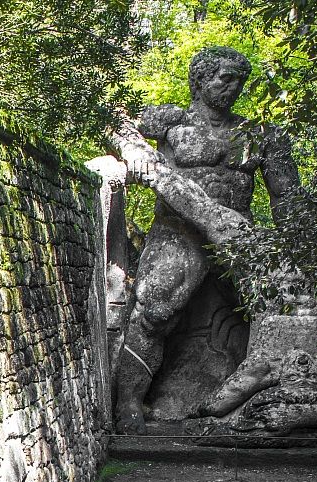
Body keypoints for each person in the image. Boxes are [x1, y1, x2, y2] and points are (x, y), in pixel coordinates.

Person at [114, 45, 301, 434]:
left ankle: (272, 396)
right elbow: (117, 124)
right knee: (156, 305)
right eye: (225, 78)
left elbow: (287, 197)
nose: (234, 88)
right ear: (199, 80)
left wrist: (293, 247)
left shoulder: (260, 134)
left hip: (238, 233)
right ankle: (130, 400)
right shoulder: (171, 120)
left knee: (277, 308)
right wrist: (132, 150)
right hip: (178, 230)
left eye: (240, 81)